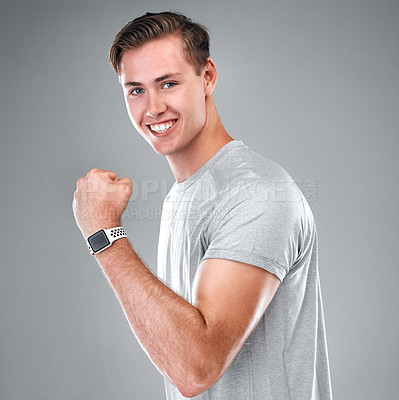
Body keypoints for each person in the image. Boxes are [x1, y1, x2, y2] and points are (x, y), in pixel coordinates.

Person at [72, 11, 333, 400]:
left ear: (207, 76)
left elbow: (197, 369)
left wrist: (104, 233)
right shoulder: (184, 195)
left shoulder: (255, 194)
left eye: (168, 83)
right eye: (136, 90)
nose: (153, 108)